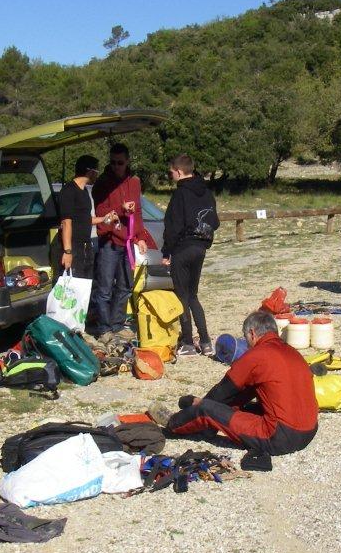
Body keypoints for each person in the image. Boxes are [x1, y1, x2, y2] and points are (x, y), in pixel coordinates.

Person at [155, 311, 318, 456]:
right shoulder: (292, 352)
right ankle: (200, 417)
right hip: (309, 431)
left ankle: (172, 423)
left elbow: (222, 392)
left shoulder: (257, 355)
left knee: (207, 409)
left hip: (280, 437)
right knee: (236, 406)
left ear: (252, 334)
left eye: (246, 339)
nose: (246, 344)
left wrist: (200, 405)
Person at [91, 143, 155, 340]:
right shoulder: (102, 183)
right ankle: (104, 328)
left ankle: (118, 324)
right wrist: (120, 209)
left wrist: (141, 237)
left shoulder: (134, 182)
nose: (116, 166)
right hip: (109, 241)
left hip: (128, 241)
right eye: (112, 163)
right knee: (104, 287)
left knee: (125, 286)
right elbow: (101, 213)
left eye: (120, 162)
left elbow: (137, 212)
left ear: (127, 162)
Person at [161, 154, 219, 357]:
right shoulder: (206, 191)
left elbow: (172, 225)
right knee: (193, 295)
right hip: (201, 248)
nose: (171, 176)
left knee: (182, 296)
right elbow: (215, 221)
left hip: (183, 248)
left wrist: (166, 251)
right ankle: (205, 341)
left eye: (170, 173)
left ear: (178, 171)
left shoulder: (180, 195)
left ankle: (187, 342)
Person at [50, 154, 117, 279]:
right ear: (90, 171)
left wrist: (104, 219)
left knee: (84, 287)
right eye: (97, 171)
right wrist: (68, 251)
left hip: (85, 247)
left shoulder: (84, 191)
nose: (97, 175)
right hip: (72, 247)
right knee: (70, 289)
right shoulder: (68, 191)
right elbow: (66, 223)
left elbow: (84, 219)